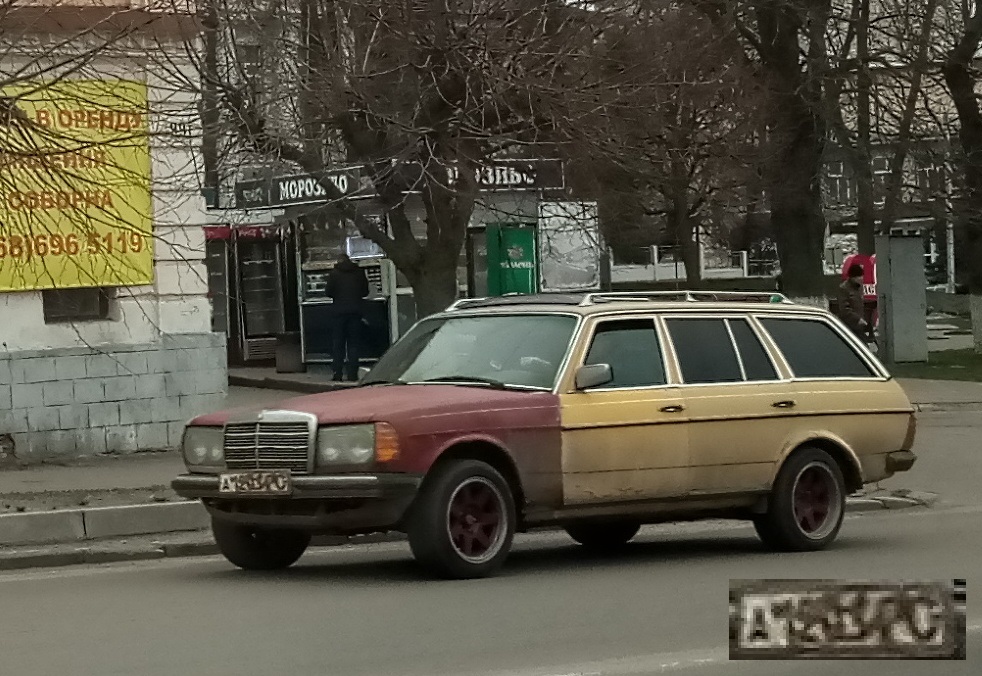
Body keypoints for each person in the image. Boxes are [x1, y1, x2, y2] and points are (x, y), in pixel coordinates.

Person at [326, 253, 370, 381]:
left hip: (338, 313)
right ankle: (352, 374)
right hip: (355, 312)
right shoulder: (359, 272)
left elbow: (328, 292)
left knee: (338, 344)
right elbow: (365, 291)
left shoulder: (334, 273)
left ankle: (337, 374)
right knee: (353, 344)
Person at [836, 263, 870, 341]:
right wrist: (857, 319)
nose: (862, 278)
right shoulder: (844, 288)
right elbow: (844, 309)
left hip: (860, 326)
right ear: (853, 278)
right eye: (859, 276)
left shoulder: (859, 287)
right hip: (850, 326)